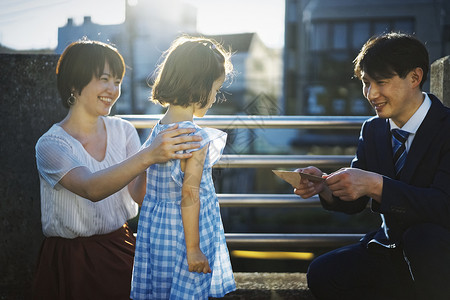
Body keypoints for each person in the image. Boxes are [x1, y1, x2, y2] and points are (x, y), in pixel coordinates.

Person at [32, 39, 203, 300]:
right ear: (75, 84)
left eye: (118, 81)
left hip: (120, 246)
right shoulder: (51, 144)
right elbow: (90, 188)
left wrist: (166, 162)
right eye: (104, 79)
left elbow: (138, 194)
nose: (113, 89)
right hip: (71, 259)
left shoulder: (123, 130)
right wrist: (148, 154)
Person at [294, 32, 450, 299]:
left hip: (439, 255)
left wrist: (377, 186)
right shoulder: (373, 129)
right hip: (390, 247)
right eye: (366, 83)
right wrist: (325, 186)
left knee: (423, 239)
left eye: (381, 82)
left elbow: (443, 205)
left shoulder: (446, 127)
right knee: (323, 273)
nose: (371, 94)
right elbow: (355, 201)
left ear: (415, 77)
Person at [131, 35, 236, 299]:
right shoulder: (196, 138)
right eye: (215, 88)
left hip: (156, 234)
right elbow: (189, 194)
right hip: (186, 237)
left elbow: (138, 190)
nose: (215, 97)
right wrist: (193, 249)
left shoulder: (158, 131)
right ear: (198, 87)